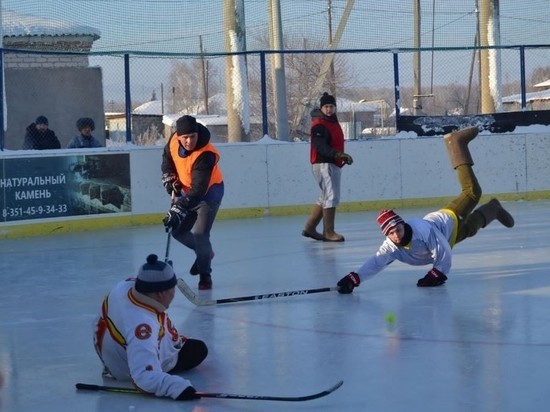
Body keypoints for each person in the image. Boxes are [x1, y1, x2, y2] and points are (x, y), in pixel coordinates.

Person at [336, 126, 515, 293]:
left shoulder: (422, 231)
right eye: (391, 234)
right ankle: (494, 208)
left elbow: (443, 250)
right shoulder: (391, 246)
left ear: (402, 224)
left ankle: (457, 144)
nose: (396, 235)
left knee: (472, 192)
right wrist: (355, 278)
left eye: (397, 229)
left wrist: (438, 273)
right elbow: (377, 262)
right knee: (469, 229)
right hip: (446, 235)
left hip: (448, 220)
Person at [92, 254, 207, 401]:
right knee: (198, 350)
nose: (174, 292)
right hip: (126, 368)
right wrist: (177, 387)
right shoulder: (142, 326)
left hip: (114, 352)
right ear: (160, 294)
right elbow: (143, 377)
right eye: (172, 288)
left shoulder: (127, 286)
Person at [161, 115, 224, 290]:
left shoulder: (206, 154)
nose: (189, 141)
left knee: (200, 235)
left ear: (197, 134)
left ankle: (205, 276)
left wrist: (179, 208)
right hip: (188, 191)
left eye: (192, 137)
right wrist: (170, 177)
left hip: (209, 193)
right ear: (179, 136)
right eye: (185, 138)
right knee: (178, 232)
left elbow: (199, 190)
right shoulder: (173, 141)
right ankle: (205, 253)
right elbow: (167, 159)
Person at [302, 92, 353, 242]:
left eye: (331, 106)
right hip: (323, 163)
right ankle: (328, 232)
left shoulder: (331, 121)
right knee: (331, 196)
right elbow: (319, 146)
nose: (329, 109)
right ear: (321, 108)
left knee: (326, 196)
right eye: (326, 106)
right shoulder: (319, 125)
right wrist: (337, 154)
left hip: (332, 163)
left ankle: (310, 228)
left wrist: (340, 156)